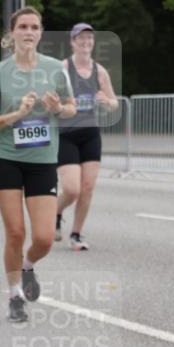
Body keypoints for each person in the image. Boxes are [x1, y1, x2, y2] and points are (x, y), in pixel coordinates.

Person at [0, 7, 76, 323]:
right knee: (16, 232)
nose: (29, 32)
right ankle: (14, 295)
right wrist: (16, 115)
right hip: (6, 158)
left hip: (42, 161)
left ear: (41, 32)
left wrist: (58, 108)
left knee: (44, 238)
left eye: (34, 27)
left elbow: (71, 108)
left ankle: (28, 266)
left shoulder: (55, 69)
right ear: (12, 32)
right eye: (23, 27)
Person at [55, 23, 118, 250]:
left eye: (89, 38)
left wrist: (106, 101)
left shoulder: (100, 71)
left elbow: (114, 102)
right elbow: (51, 96)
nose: (86, 42)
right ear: (73, 42)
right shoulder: (63, 68)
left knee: (88, 187)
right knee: (72, 189)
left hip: (90, 134)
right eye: (81, 38)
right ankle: (56, 212)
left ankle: (76, 234)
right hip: (66, 134)